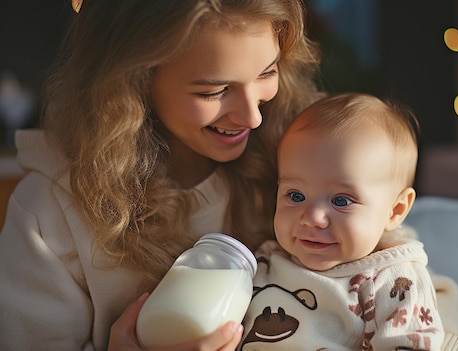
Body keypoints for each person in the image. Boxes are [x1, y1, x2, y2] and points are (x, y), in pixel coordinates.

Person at [0, 0, 324, 350]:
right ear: (132, 81)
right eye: (213, 91)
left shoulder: (302, 160)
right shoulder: (50, 215)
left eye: (267, 72)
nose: (252, 118)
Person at [239, 93, 445, 350]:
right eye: (295, 195)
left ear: (394, 210)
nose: (312, 218)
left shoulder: (393, 279)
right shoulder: (266, 259)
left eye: (341, 201)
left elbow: (409, 343)